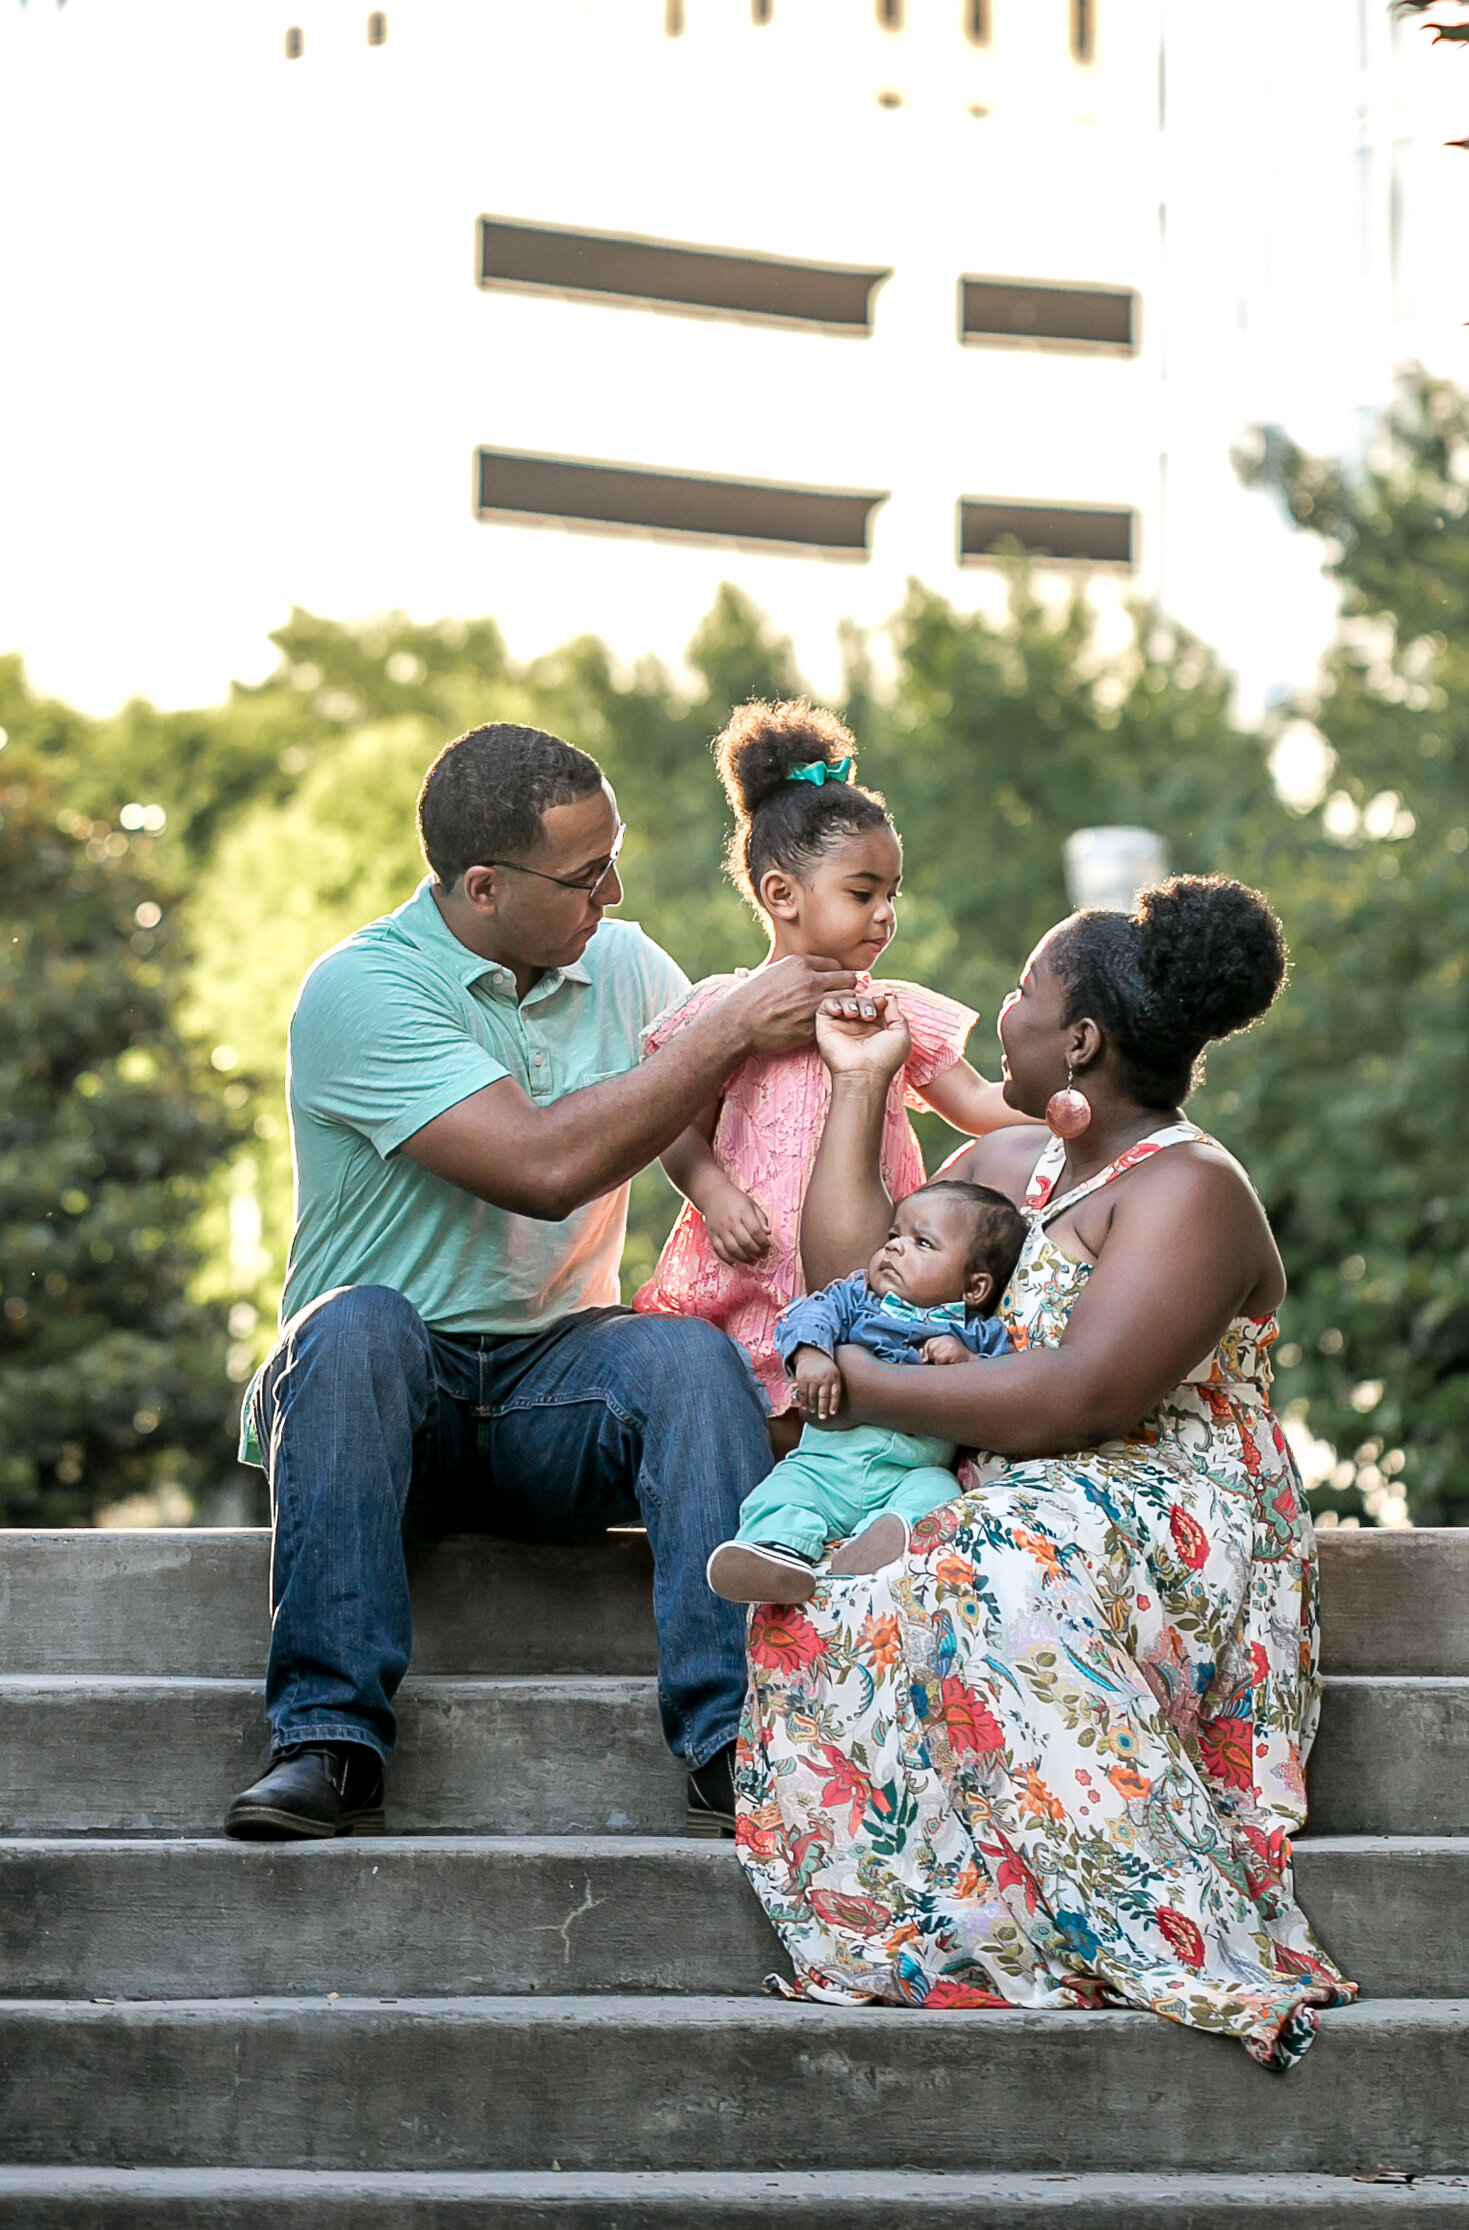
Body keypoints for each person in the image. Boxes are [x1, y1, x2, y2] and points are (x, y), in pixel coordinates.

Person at [735, 877, 1357, 2069]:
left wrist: (860, 1392)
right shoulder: (1013, 1161)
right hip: (1014, 1484)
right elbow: (865, 1285)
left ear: (1079, 1038)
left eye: (1021, 990)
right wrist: (861, 1088)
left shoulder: (1192, 1190)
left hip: (1168, 1505)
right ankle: (942, 1905)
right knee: (854, 1573)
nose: (999, 1008)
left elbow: (1086, 1397)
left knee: (987, 1555)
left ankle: (1138, 1908)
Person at [223, 720, 858, 1845]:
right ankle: (327, 1742)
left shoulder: (624, 967)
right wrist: (716, 1037)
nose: (611, 892)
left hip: (550, 1396)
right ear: (480, 887)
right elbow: (543, 1167)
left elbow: (740, 1126)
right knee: (355, 1326)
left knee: (682, 1353)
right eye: (581, 876)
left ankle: (734, 1745)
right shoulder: (363, 990)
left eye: (612, 859)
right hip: (381, 1405)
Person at [632, 699, 1018, 1416]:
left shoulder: (894, 1011)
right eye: (862, 893)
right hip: (748, 1274)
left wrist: (1053, 1093)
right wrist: (713, 1197)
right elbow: (675, 1127)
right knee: (746, 1415)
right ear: (782, 895)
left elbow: (974, 1104)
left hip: (865, 1284)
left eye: (891, 895)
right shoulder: (725, 1010)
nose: (885, 915)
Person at [705, 1174, 1026, 1605]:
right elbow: (806, 1315)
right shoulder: (855, 1296)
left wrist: (968, 1362)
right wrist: (811, 1355)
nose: (895, 1246)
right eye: (895, 1235)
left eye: (922, 1243)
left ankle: (882, 1539)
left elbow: (1004, 1387)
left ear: (974, 1288)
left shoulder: (980, 1335)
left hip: (910, 1472)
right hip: (824, 1464)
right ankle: (774, 1556)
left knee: (939, 1493)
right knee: (783, 1489)